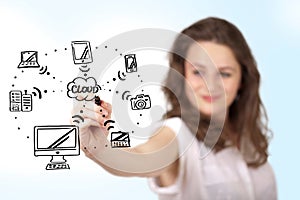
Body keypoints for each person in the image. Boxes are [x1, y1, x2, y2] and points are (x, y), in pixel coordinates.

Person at [73, 17, 277, 199]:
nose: (211, 85)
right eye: (198, 72)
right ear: (183, 76)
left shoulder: (248, 143)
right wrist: (99, 148)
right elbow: (143, 158)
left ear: (243, 79)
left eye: (224, 74)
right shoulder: (177, 134)